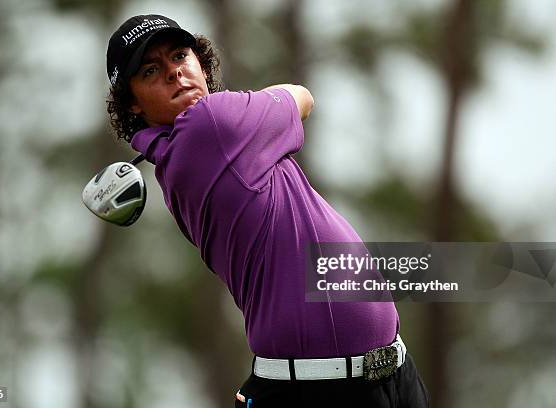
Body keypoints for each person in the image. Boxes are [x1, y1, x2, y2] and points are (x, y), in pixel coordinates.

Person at [106, 14, 429, 407]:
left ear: (200, 63)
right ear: (133, 104)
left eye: (179, 55)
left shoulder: (195, 147)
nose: (175, 73)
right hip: (319, 392)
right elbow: (302, 96)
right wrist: (258, 106)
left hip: (391, 377)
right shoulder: (211, 125)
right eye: (151, 70)